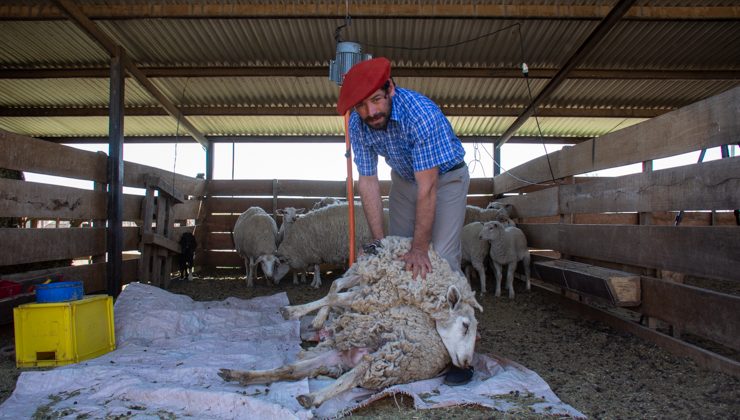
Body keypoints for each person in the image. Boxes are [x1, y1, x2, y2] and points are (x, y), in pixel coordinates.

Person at [337, 57, 473, 385]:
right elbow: (367, 181)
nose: (370, 113)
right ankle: (408, 337)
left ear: (391, 89)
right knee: (398, 261)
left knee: (439, 260)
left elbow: (429, 188)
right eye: (361, 106)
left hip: (446, 177)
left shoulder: (420, 114)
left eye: (377, 100)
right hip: (404, 178)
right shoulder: (358, 124)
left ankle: (462, 353)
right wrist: (381, 244)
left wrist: (420, 248)